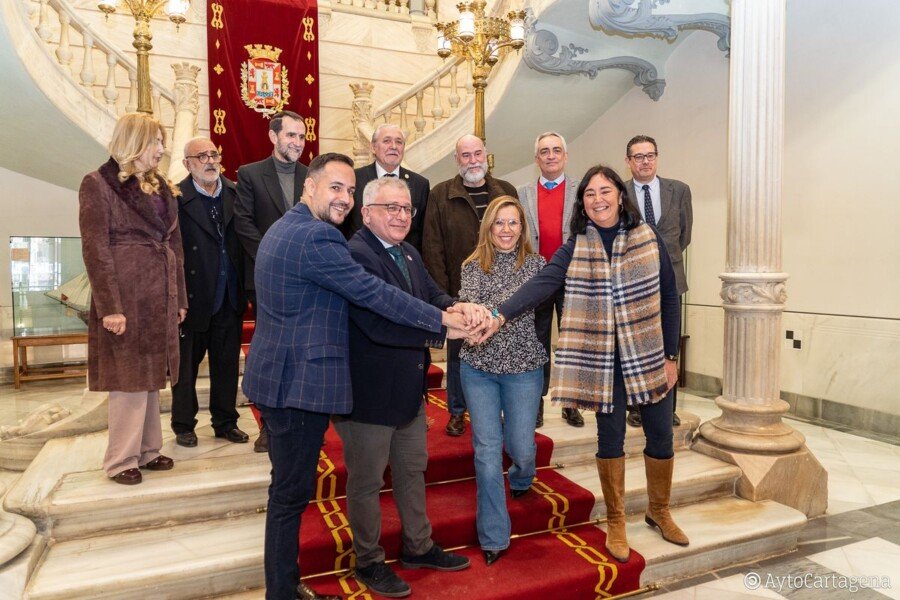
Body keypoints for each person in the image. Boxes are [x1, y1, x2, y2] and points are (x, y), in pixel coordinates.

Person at [240, 152, 477, 600]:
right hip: (298, 383)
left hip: (284, 377)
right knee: (289, 498)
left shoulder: (287, 227)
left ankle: (285, 589)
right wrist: (442, 323)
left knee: (288, 496)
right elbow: (372, 294)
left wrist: (449, 309)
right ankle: (283, 593)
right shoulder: (319, 237)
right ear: (309, 186)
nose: (344, 198)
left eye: (350, 189)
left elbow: (416, 292)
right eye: (336, 187)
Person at [481, 165, 689, 564]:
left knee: (661, 436)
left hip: (649, 354)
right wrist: (500, 313)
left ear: (620, 195)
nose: (598, 199)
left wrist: (669, 356)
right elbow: (542, 284)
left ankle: (659, 511)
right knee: (610, 440)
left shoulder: (648, 238)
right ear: (583, 203)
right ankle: (616, 520)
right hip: (603, 361)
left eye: (605, 191)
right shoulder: (574, 245)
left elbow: (669, 296)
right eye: (590, 194)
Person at [338, 177, 476, 598]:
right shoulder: (356, 255)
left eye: (406, 209)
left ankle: (418, 546)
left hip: (408, 392)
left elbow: (431, 295)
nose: (401, 216)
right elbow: (377, 324)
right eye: (391, 208)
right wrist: (443, 330)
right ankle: (368, 560)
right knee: (366, 482)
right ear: (366, 213)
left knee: (412, 471)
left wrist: (456, 306)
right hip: (368, 395)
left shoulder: (409, 252)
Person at [78, 113, 187, 485]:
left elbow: (175, 246)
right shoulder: (97, 183)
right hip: (126, 295)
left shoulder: (162, 187)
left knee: (151, 375)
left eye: (162, 142)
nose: (161, 149)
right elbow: (95, 250)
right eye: (156, 141)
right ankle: (121, 459)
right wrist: (110, 307)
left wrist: (179, 298)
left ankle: (149, 450)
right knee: (128, 378)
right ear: (136, 142)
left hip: (159, 294)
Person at [457, 196, 547, 567]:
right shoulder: (472, 265)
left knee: (521, 448)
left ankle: (523, 476)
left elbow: (527, 305)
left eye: (513, 222)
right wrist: (474, 320)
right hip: (478, 367)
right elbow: (470, 307)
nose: (506, 230)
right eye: (499, 223)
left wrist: (493, 315)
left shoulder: (538, 266)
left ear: (523, 228)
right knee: (487, 449)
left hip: (524, 369)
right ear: (488, 228)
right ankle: (494, 535)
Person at [422, 134, 517, 437]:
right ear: (457, 159)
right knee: (458, 355)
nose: (473, 160)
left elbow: (518, 240)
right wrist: (445, 298)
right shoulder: (440, 194)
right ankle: (457, 411)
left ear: (486, 156)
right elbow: (432, 248)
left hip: (501, 291)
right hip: (459, 294)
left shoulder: (507, 191)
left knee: (500, 351)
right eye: (466, 155)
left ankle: (498, 410)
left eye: (477, 154)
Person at [234, 110, 309, 452]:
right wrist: (274, 258)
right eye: (291, 135)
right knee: (270, 355)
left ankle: (300, 420)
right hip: (267, 281)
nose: (297, 142)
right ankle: (269, 425)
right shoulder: (250, 174)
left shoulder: (312, 176)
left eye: (302, 136)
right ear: (273, 136)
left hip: (306, 281)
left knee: (303, 354)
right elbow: (244, 224)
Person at [170, 137, 249, 448]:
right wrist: (177, 296)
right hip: (193, 297)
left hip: (229, 295)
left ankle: (226, 422)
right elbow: (171, 251)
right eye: (201, 156)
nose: (210, 161)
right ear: (187, 164)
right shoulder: (176, 197)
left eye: (213, 154)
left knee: (226, 365)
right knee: (186, 368)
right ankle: (183, 424)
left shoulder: (235, 192)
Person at [624, 135, 692, 428]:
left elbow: (684, 235)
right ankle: (637, 407)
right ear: (628, 161)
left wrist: (663, 261)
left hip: (671, 280)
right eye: (638, 157)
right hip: (632, 283)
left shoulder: (679, 190)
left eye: (650, 155)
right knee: (635, 346)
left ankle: (668, 408)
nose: (645, 161)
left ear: (657, 157)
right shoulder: (619, 193)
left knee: (668, 345)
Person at [518, 131, 581, 428]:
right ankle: (536, 404)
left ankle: (571, 403)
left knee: (571, 344)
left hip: (573, 277)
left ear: (565, 156)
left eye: (556, 150)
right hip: (538, 279)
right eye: (545, 151)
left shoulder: (581, 192)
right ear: (537, 159)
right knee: (537, 342)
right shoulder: (523, 194)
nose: (551, 155)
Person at [340, 124, 430, 251]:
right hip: (361, 256)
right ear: (373, 147)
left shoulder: (420, 184)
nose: (393, 146)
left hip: (403, 258)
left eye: (399, 142)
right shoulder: (354, 179)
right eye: (387, 141)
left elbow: (423, 233)